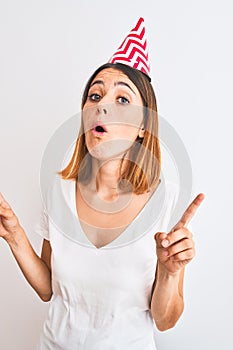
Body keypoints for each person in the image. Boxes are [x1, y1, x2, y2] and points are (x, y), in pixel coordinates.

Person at [0, 18, 205, 350]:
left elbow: (165, 321)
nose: (102, 105)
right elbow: (48, 289)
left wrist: (169, 272)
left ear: (144, 124)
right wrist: (14, 235)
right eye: (94, 96)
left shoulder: (166, 204)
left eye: (122, 99)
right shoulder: (59, 191)